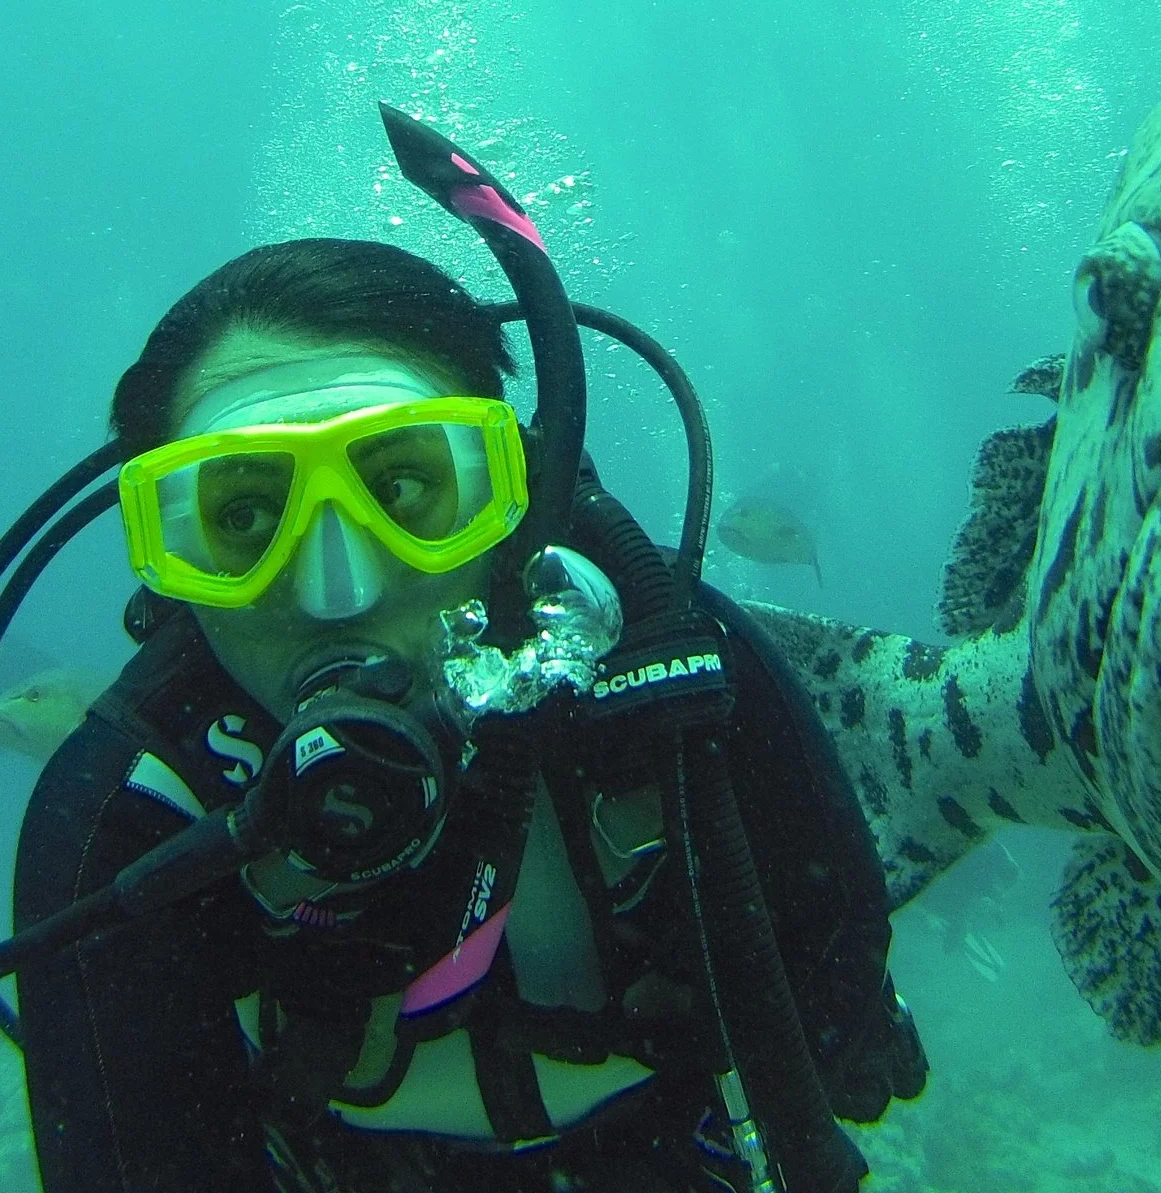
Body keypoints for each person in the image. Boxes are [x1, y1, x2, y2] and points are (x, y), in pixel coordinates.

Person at [10, 233, 924, 1193]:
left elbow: (837, 985)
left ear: (513, 497)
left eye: (406, 488)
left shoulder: (670, 680)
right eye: (243, 517)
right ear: (167, 562)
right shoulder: (130, 818)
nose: (337, 589)